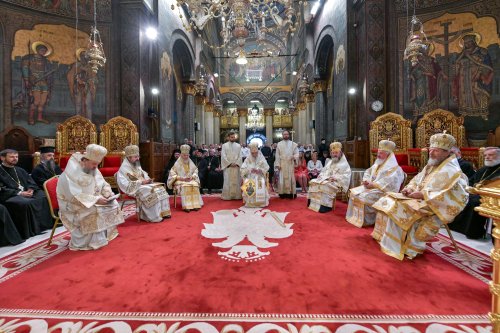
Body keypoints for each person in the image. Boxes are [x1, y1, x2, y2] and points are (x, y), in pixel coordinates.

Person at [372, 132, 468, 260]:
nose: (431, 153)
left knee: (398, 208)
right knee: (388, 199)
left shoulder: (452, 170)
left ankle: (406, 246)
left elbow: (449, 194)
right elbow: (417, 180)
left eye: (436, 151)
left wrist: (423, 195)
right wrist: (409, 189)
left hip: (434, 205)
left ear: (447, 152)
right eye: (431, 150)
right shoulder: (431, 165)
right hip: (417, 199)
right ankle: (390, 239)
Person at [57, 144, 125, 251]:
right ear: (84, 160)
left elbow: (104, 184)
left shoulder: (93, 169)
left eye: (98, 164)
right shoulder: (70, 174)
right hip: (73, 206)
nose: (96, 167)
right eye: (94, 164)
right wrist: (96, 200)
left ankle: (105, 235)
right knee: (94, 210)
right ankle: (91, 242)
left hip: (92, 200)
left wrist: (108, 194)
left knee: (114, 204)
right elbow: (74, 196)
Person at [346, 140, 405, 227]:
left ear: (388, 154)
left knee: (363, 196)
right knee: (353, 193)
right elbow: (368, 172)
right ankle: (355, 217)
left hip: (383, 192)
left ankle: (368, 221)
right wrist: (366, 180)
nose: (378, 155)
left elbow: (390, 184)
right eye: (378, 152)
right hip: (372, 188)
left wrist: (373, 185)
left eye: (381, 153)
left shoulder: (395, 169)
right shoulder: (378, 164)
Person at [0, 149, 53, 239]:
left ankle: (43, 226)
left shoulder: (20, 170)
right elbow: (2, 189)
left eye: (16, 157)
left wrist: (31, 189)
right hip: (9, 195)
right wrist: (20, 193)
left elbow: (30, 181)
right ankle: (30, 230)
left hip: (26, 192)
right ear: (2, 158)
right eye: (12, 157)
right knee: (25, 203)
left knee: (44, 196)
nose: (15, 159)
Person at [449, 147, 500, 239]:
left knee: (475, 202)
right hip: (476, 193)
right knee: (459, 196)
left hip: (492, 197)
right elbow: (471, 181)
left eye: (491, 155)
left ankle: (473, 232)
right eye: (486, 155)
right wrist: (468, 188)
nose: (487, 157)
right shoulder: (483, 169)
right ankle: (457, 227)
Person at [117, 145, 171, 222]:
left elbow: (143, 174)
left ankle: (163, 213)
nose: (138, 159)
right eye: (135, 157)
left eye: (138, 156)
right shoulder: (124, 168)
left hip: (142, 185)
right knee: (150, 190)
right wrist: (141, 182)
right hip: (133, 188)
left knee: (160, 188)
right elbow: (125, 184)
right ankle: (154, 217)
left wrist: (148, 180)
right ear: (129, 157)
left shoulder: (136, 165)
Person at [452, 33, 494, 119]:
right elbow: (456, 64)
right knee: (464, 94)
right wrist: (461, 58)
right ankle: (465, 111)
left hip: (476, 76)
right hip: (464, 77)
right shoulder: (462, 53)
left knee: (479, 93)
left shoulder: (482, 51)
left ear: (473, 42)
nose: (467, 44)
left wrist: (480, 72)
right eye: (465, 43)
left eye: (469, 42)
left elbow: (487, 65)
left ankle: (483, 112)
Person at [307, 142, 351, 213]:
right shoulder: (330, 162)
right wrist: (321, 176)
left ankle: (325, 206)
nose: (334, 155)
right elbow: (323, 171)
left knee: (324, 185)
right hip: (326, 179)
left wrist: (335, 178)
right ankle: (313, 203)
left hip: (337, 183)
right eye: (333, 153)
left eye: (336, 153)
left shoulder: (344, 164)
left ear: (340, 153)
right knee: (313, 182)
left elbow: (346, 176)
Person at [21, 42, 54, 125]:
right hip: (35, 81)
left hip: (44, 82)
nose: (43, 52)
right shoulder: (30, 58)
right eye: (42, 50)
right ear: (37, 50)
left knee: (42, 102)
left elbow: (49, 71)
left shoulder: (45, 61)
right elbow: (25, 68)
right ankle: (31, 118)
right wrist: (27, 80)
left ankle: (39, 118)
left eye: (45, 51)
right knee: (36, 101)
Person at [409, 42, 444, 118]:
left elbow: (438, 69)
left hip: (430, 82)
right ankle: (417, 116)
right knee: (419, 97)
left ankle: (431, 116)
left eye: (427, 49)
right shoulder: (417, 60)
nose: (426, 51)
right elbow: (413, 71)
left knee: (430, 97)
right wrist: (423, 73)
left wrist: (443, 74)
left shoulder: (432, 59)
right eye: (424, 49)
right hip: (420, 82)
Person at [167, 144, 203, 212]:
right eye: (184, 155)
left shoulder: (190, 161)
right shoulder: (177, 163)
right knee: (185, 186)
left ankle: (195, 205)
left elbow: (195, 170)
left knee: (195, 185)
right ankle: (187, 206)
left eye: (187, 155)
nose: (186, 157)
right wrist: (182, 179)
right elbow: (172, 174)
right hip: (180, 180)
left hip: (190, 179)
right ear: (181, 155)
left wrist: (192, 176)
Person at [240, 143, 270, 207]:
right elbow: (242, 168)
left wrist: (260, 170)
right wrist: (250, 170)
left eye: (255, 153)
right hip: (250, 176)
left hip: (259, 176)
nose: (254, 154)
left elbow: (267, 167)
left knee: (259, 181)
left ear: (258, 151)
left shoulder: (261, 158)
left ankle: (260, 202)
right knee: (250, 182)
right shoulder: (248, 159)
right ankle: (251, 203)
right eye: (252, 153)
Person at [275, 130, 299, 199]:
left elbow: (297, 153)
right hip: (282, 164)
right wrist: (278, 164)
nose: (286, 135)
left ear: (289, 135)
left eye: (287, 134)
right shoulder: (279, 144)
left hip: (290, 163)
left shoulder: (293, 144)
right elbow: (277, 155)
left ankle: (291, 193)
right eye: (284, 134)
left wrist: (294, 157)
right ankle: (282, 193)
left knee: (290, 178)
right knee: (282, 178)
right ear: (282, 135)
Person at [221, 132, 242, 200]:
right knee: (227, 181)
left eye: (234, 137)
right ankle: (227, 196)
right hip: (228, 167)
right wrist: (229, 163)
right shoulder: (224, 145)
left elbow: (240, 156)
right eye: (231, 137)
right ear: (228, 137)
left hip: (236, 167)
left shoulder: (238, 146)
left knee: (236, 181)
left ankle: (237, 196)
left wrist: (236, 163)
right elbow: (223, 156)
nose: (233, 138)